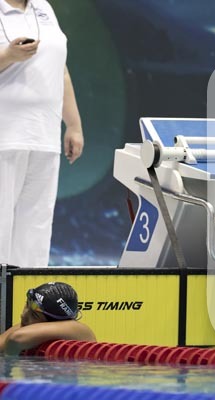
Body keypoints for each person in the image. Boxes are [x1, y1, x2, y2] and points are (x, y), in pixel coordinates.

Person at [0, 0, 84, 268]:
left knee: (36, 226)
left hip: (43, 135)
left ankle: (29, 292)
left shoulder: (43, 7)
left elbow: (61, 70)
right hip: (5, 136)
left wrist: (73, 125)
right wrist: (7, 56)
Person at [0, 282, 96, 355]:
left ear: (55, 322)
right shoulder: (29, 325)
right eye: (26, 305)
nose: (23, 315)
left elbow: (15, 339)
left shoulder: (80, 330)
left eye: (34, 315)